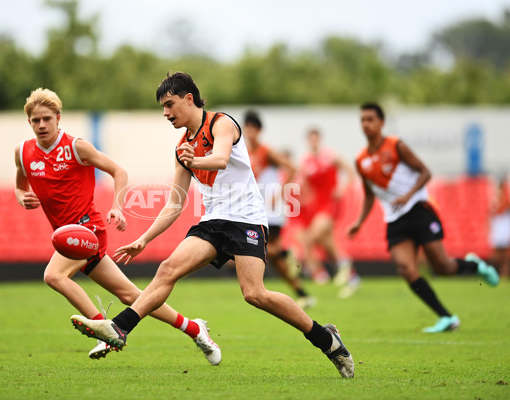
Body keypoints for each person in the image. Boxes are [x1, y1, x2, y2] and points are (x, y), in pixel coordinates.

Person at [71, 72, 354, 378]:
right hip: (212, 222)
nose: (166, 113)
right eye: (162, 108)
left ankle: (326, 339)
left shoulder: (222, 123)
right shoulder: (182, 147)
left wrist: (193, 162)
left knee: (254, 293)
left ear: (188, 98)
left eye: (169, 104)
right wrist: (144, 239)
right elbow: (175, 203)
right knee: (168, 269)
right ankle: (120, 328)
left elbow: (219, 159)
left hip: (246, 219)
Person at [15, 87, 221, 364]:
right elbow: (20, 185)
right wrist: (22, 197)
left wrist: (116, 207)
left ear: (58, 118)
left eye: (46, 119)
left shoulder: (76, 147)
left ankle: (105, 329)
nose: (41, 125)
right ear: (29, 121)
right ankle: (195, 329)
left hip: (88, 229)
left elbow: (119, 171)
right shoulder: (23, 152)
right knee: (131, 295)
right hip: (68, 236)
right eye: (35, 120)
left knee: (54, 276)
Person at [347, 102, 499, 333]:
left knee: (443, 267)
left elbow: (425, 172)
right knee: (405, 268)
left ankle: (475, 265)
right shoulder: (360, 161)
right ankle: (446, 317)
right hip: (395, 220)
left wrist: (408, 195)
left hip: (418, 210)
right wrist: (359, 222)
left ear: (381, 122)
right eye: (362, 120)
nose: (365, 124)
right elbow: (369, 195)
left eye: (370, 119)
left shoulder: (396, 146)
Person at [243, 109, 315, 309]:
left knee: (268, 250)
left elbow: (292, 168)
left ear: (259, 130)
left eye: (253, 128)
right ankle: (302, 293)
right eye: (247, 128)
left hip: (272, 209)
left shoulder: (267, 152)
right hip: (257, 208)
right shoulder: (246, 153)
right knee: (272, 258)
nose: (250, 132)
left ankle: (287, 253)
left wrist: (281, 192)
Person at [294, 128, 359, 298]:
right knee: (327, 243)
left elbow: (350, 172)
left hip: (331, 204)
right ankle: (351, 275)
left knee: (311, 237)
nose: (313, 141)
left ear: (320, 139)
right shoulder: (305, 161)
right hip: (316, 206)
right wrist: (305, 198)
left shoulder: (330, 155)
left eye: (316, 138)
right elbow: (304, 183)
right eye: (311, 139)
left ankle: (318, 271)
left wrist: (342, 188)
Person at [489, 177, 510, 279]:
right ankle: (491, 274)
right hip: (499, 229)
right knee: (497, 257)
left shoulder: (504, 199)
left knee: (504, 256)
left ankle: (503, 276)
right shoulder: (496, 199)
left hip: (504, 229)